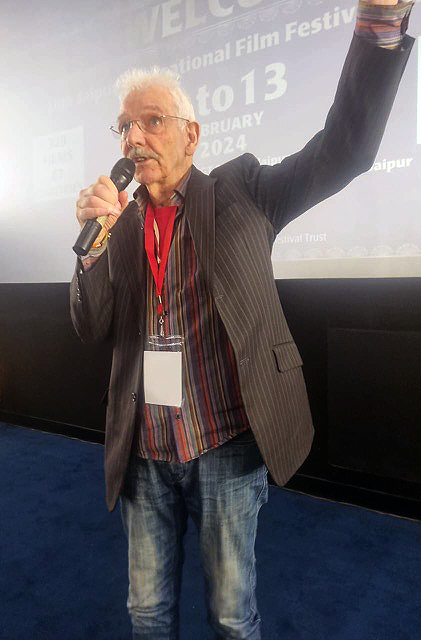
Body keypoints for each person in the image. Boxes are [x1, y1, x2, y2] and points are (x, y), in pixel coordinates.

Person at [70, 2, 413, 638]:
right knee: (146, 614)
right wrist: (90, 251)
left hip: (224, 444)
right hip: (143, 448)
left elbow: (345, 148)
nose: (134, 138)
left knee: (231, 617)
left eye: (152, 121)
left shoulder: (244, 190)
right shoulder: (116, 225)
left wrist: (379, 28)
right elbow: (91, 327)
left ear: (192, 135)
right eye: (124, 127)